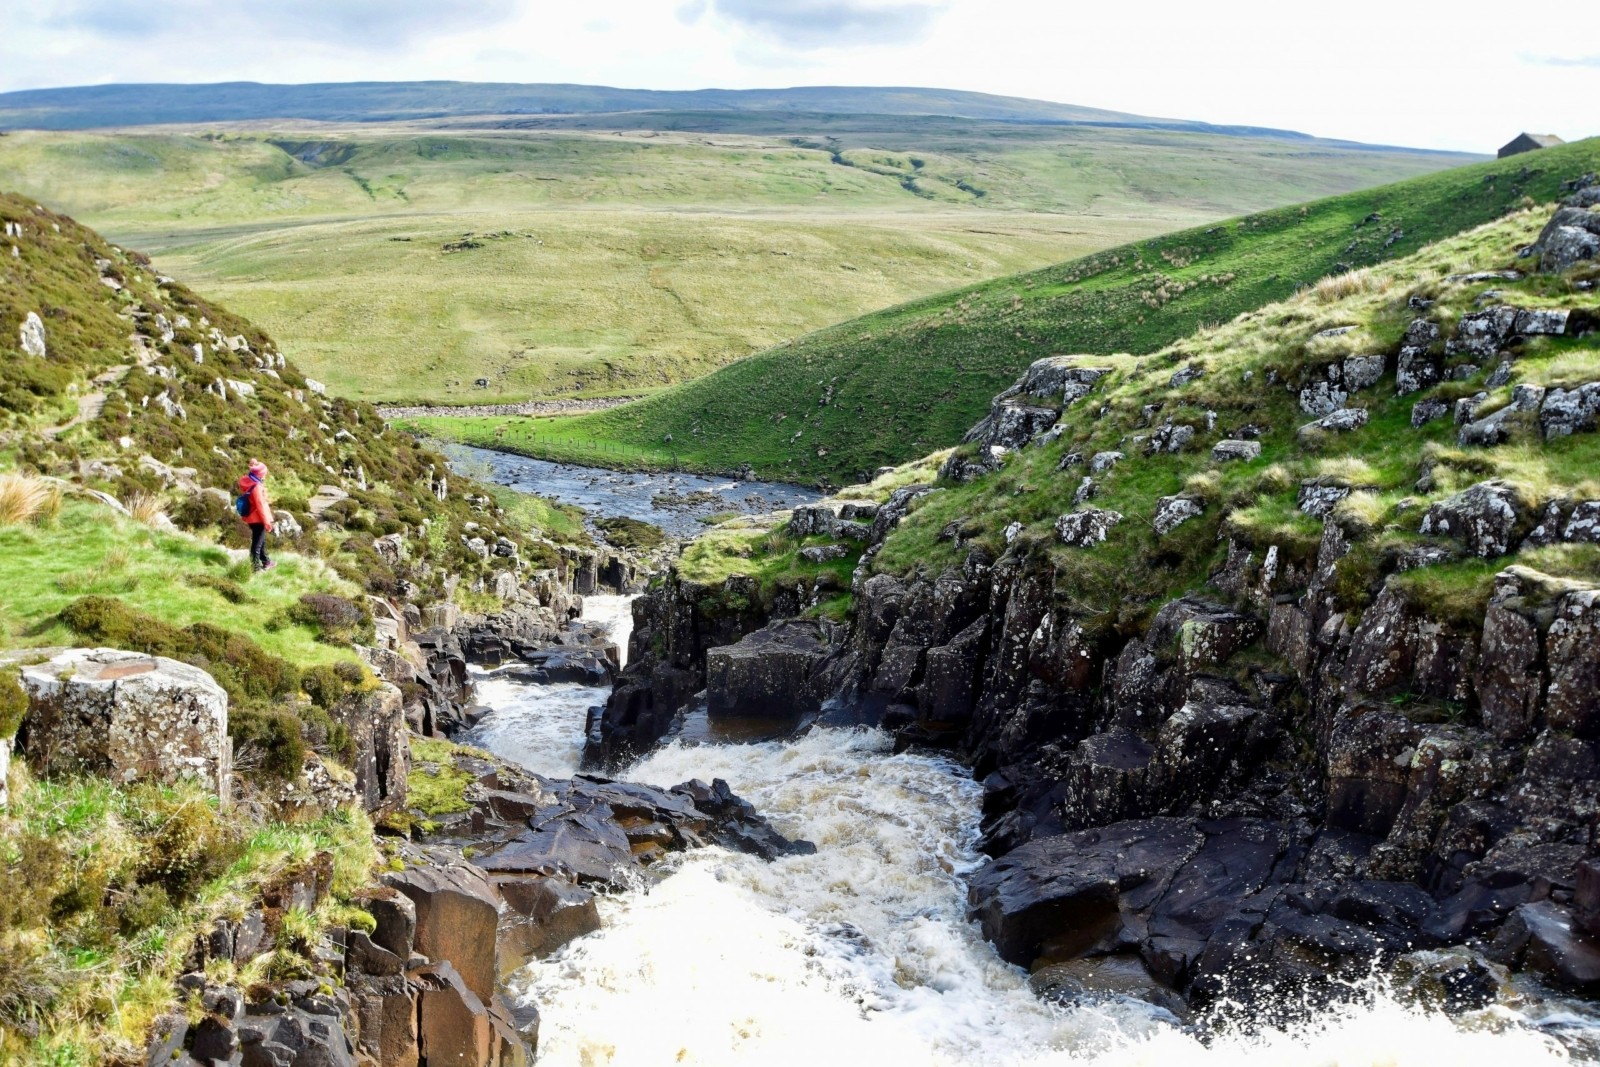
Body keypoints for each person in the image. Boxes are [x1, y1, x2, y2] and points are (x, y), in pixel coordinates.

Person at [237, 459, 276, 571]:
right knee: (257, 544)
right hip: (258, 518)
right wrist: (267, 522)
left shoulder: (249, 480)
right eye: (264, 474)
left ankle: (266, 561)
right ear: (260, 474)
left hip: (251, 517)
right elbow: (260, 506)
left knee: (261, 540)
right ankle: (256, 567)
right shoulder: (257, 487)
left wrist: (254, 463)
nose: (265, 476)